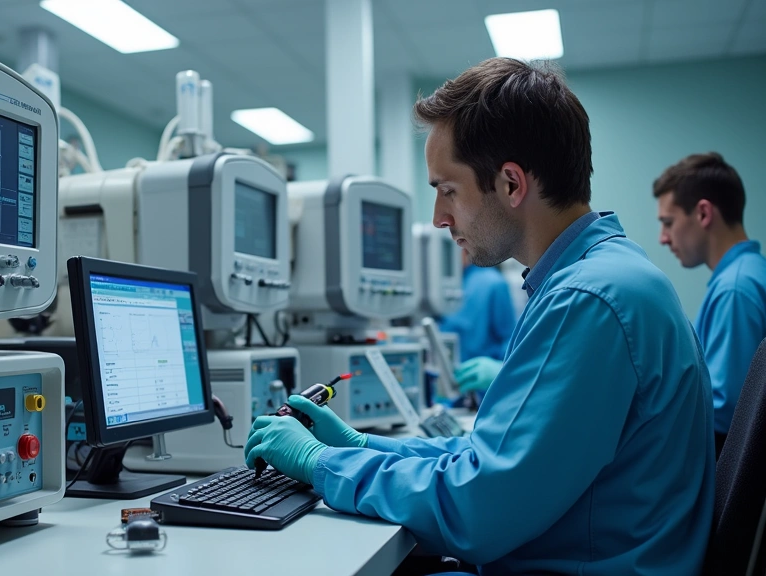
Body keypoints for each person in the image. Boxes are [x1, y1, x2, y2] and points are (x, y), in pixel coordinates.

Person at [244, 58, 714, 575]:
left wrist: (321, 464)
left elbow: (477, 509)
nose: (439, 219)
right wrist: (362, 445)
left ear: (511, 184)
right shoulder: (605, 276)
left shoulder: (588, 298)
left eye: (448, 190)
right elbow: (492, 457)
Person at [654, 152, 766, 456]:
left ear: (703, 213)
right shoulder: (751, 273)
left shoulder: (735, 289)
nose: (663, 238)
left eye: (668, 222)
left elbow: (722, 412)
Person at [439, 249, 517, 394]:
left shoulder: (493, 283)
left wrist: (502, 370)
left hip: (484, 389)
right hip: (449, 387)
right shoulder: (443, 285)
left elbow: (509, 339)